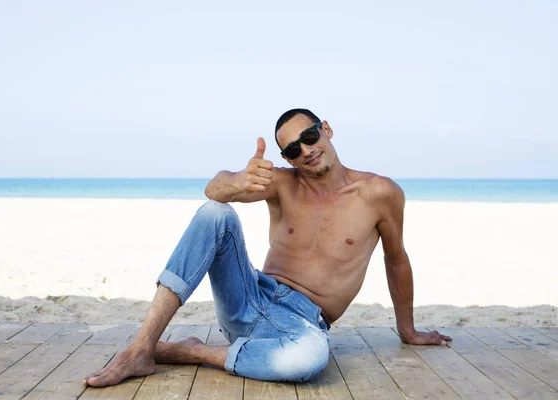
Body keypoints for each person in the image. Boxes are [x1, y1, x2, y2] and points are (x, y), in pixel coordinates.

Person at [84, 108, 452, 387]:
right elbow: (214, 189)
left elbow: (396, 259)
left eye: (310, 137)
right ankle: (140, 349)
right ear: (287, 158)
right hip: (249, 298)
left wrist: (409, 330)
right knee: (215, 213)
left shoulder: (380, 193)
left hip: (304, 323)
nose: (306, 151)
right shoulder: (282, 183)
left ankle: (189, 351)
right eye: (293, 150)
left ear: (327, 130)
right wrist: (237, 181)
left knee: (311, 358)